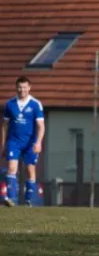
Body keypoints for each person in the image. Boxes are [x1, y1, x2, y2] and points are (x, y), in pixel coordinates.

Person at [0, 76, 45, 207]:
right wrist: (3, 144)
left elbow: (41, 126)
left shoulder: (35, 104)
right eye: (19, 87)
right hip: (14, 141)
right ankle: (11, 199)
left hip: (30, 142)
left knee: (30, 170)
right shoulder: (10, 104)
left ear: (29, 88)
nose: (22, 90)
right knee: (11, 168)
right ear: (16, 88)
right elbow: (5, 126)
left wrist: (39, 142)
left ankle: (28, 200)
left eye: (25, 87)